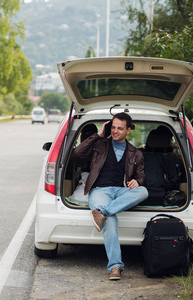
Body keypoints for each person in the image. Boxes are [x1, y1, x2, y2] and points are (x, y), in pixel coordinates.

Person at [74, 112, 148, 280]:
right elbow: (78, 153)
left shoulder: (136, 153)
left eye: (119, 128)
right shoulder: (100, 145)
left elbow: (142, 177)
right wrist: (99, 134)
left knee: (143, 191)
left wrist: (137, 181)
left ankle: (102, 212)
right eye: (113, 127)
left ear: (128, 130)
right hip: (100, 190)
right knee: (111, 220)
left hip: (122, 190)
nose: (115, 131)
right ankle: (115, 266)